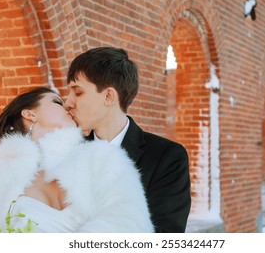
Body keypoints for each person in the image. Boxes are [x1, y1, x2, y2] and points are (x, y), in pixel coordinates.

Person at [0, 87, 153, 233]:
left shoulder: (103, 159)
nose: (67, 105)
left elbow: (131, 225)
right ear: (30, 113)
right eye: (57, 101)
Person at [65, 47, 191, 233]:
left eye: (77, 92)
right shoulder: (68, 152)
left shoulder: (167, 157)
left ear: (108, 96)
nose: (68, 102)